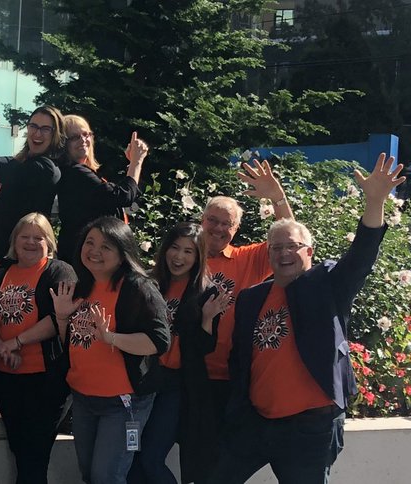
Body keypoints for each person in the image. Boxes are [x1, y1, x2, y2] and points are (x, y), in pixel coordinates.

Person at [209, 155, 404, 483]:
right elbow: (241, 358)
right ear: (267, 254)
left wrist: (375, 201)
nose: (284, 253)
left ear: (309, 252)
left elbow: (361, 257)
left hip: (308, 429)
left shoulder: (324, 288)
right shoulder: (252, 298)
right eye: (276, 248)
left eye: (293, 247)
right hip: (257, 424)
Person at [192, 159, 295, 479]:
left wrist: (277, 196)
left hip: (234, 378)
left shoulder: (246, 259)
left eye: (227, 224)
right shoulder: (181, 257)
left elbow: (291, 241)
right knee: (196, 456)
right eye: (213, 220)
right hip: (191, 376)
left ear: (235, 230)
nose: (219, 228)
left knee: (225, 460)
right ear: (202, 220)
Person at [52, 217, 170, 484]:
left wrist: (111, 338)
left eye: (106, 246)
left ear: (122, 252)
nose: (94, 251)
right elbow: (75, 341)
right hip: (83, 397)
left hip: (122, 403)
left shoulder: (138, 288)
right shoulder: (81, 285)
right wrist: (61, 318)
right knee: (89, 473)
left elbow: (159, 341)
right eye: (90, 242)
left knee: (107, 476)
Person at [0, 213, 77, 484]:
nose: (31, 242)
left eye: (39, 237)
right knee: (20, 450)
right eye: (25, 237)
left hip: (45, 381)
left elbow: (58, 318)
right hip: (6, 377)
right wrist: (1, 347)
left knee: (34, 454)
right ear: (14, 241)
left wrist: (17, 342)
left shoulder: (59, 271)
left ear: (49, 242)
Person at [127, 223, 228, 484]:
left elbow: (206, 347)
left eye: (188, 251)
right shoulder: (148, 283)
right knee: (132, 460)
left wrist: (206, 319)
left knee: (151, 458)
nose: (179, 257)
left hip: (176, 385)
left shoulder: (206, 291)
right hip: (142, 381)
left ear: (198, 257)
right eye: (174, 248)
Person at [0, 101, 64, 266]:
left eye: (45, 129)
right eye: (33, 126)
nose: (37, 133)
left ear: (55, 134)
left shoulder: (45, 168)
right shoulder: (22, 162)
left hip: (22, 260)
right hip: (2, 258)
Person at [55, 115, 148, 263]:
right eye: (74, 137)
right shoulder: (76, 173)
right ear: (63, 144)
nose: (83, 140)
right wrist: (137, 162)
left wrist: (132, 165)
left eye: (86, 134)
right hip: (88, 259)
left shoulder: (79, 172)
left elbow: (119, 195)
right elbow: (122, 196)